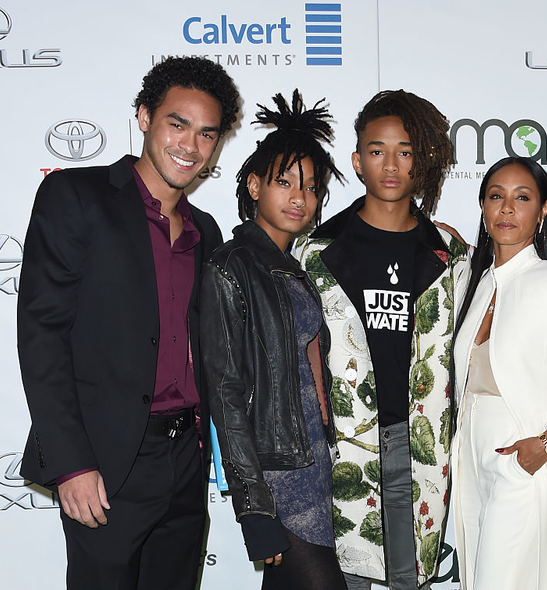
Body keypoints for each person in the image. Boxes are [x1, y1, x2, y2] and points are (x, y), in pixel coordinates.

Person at [16, 56, 240, 590]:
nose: (190, 145)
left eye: (206, 134)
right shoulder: (76, 197)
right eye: (176, 123)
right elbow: (42, 336)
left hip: (187, 458)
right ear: (143, 116)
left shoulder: (206, 231)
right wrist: (70, 463)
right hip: (109, 459)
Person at [294, 89, 468, 590]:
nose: (390, 165)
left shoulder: (450, 254)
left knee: (408, 581)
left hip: (419, 449)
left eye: (405, 151)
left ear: (422, 160)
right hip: (338, 452)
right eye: (376, 151)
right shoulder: (316, 252)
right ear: (357, 160)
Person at [199, 90, 346, 590]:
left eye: (311, 187)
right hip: (278, 477)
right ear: (254, 185)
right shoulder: (230, 266)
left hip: (314, 464)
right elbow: (225, 393)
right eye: (285, 182)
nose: (299, 198)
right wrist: (253, 507)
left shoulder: (292, 269)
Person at [450, 157, 547, 590]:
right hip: (471, 455)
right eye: (496, 197)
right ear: (482, 206)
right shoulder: (476, 284)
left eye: (522, 198)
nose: (507, 209)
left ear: (544, 209)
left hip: (523, 453)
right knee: (479, 577)